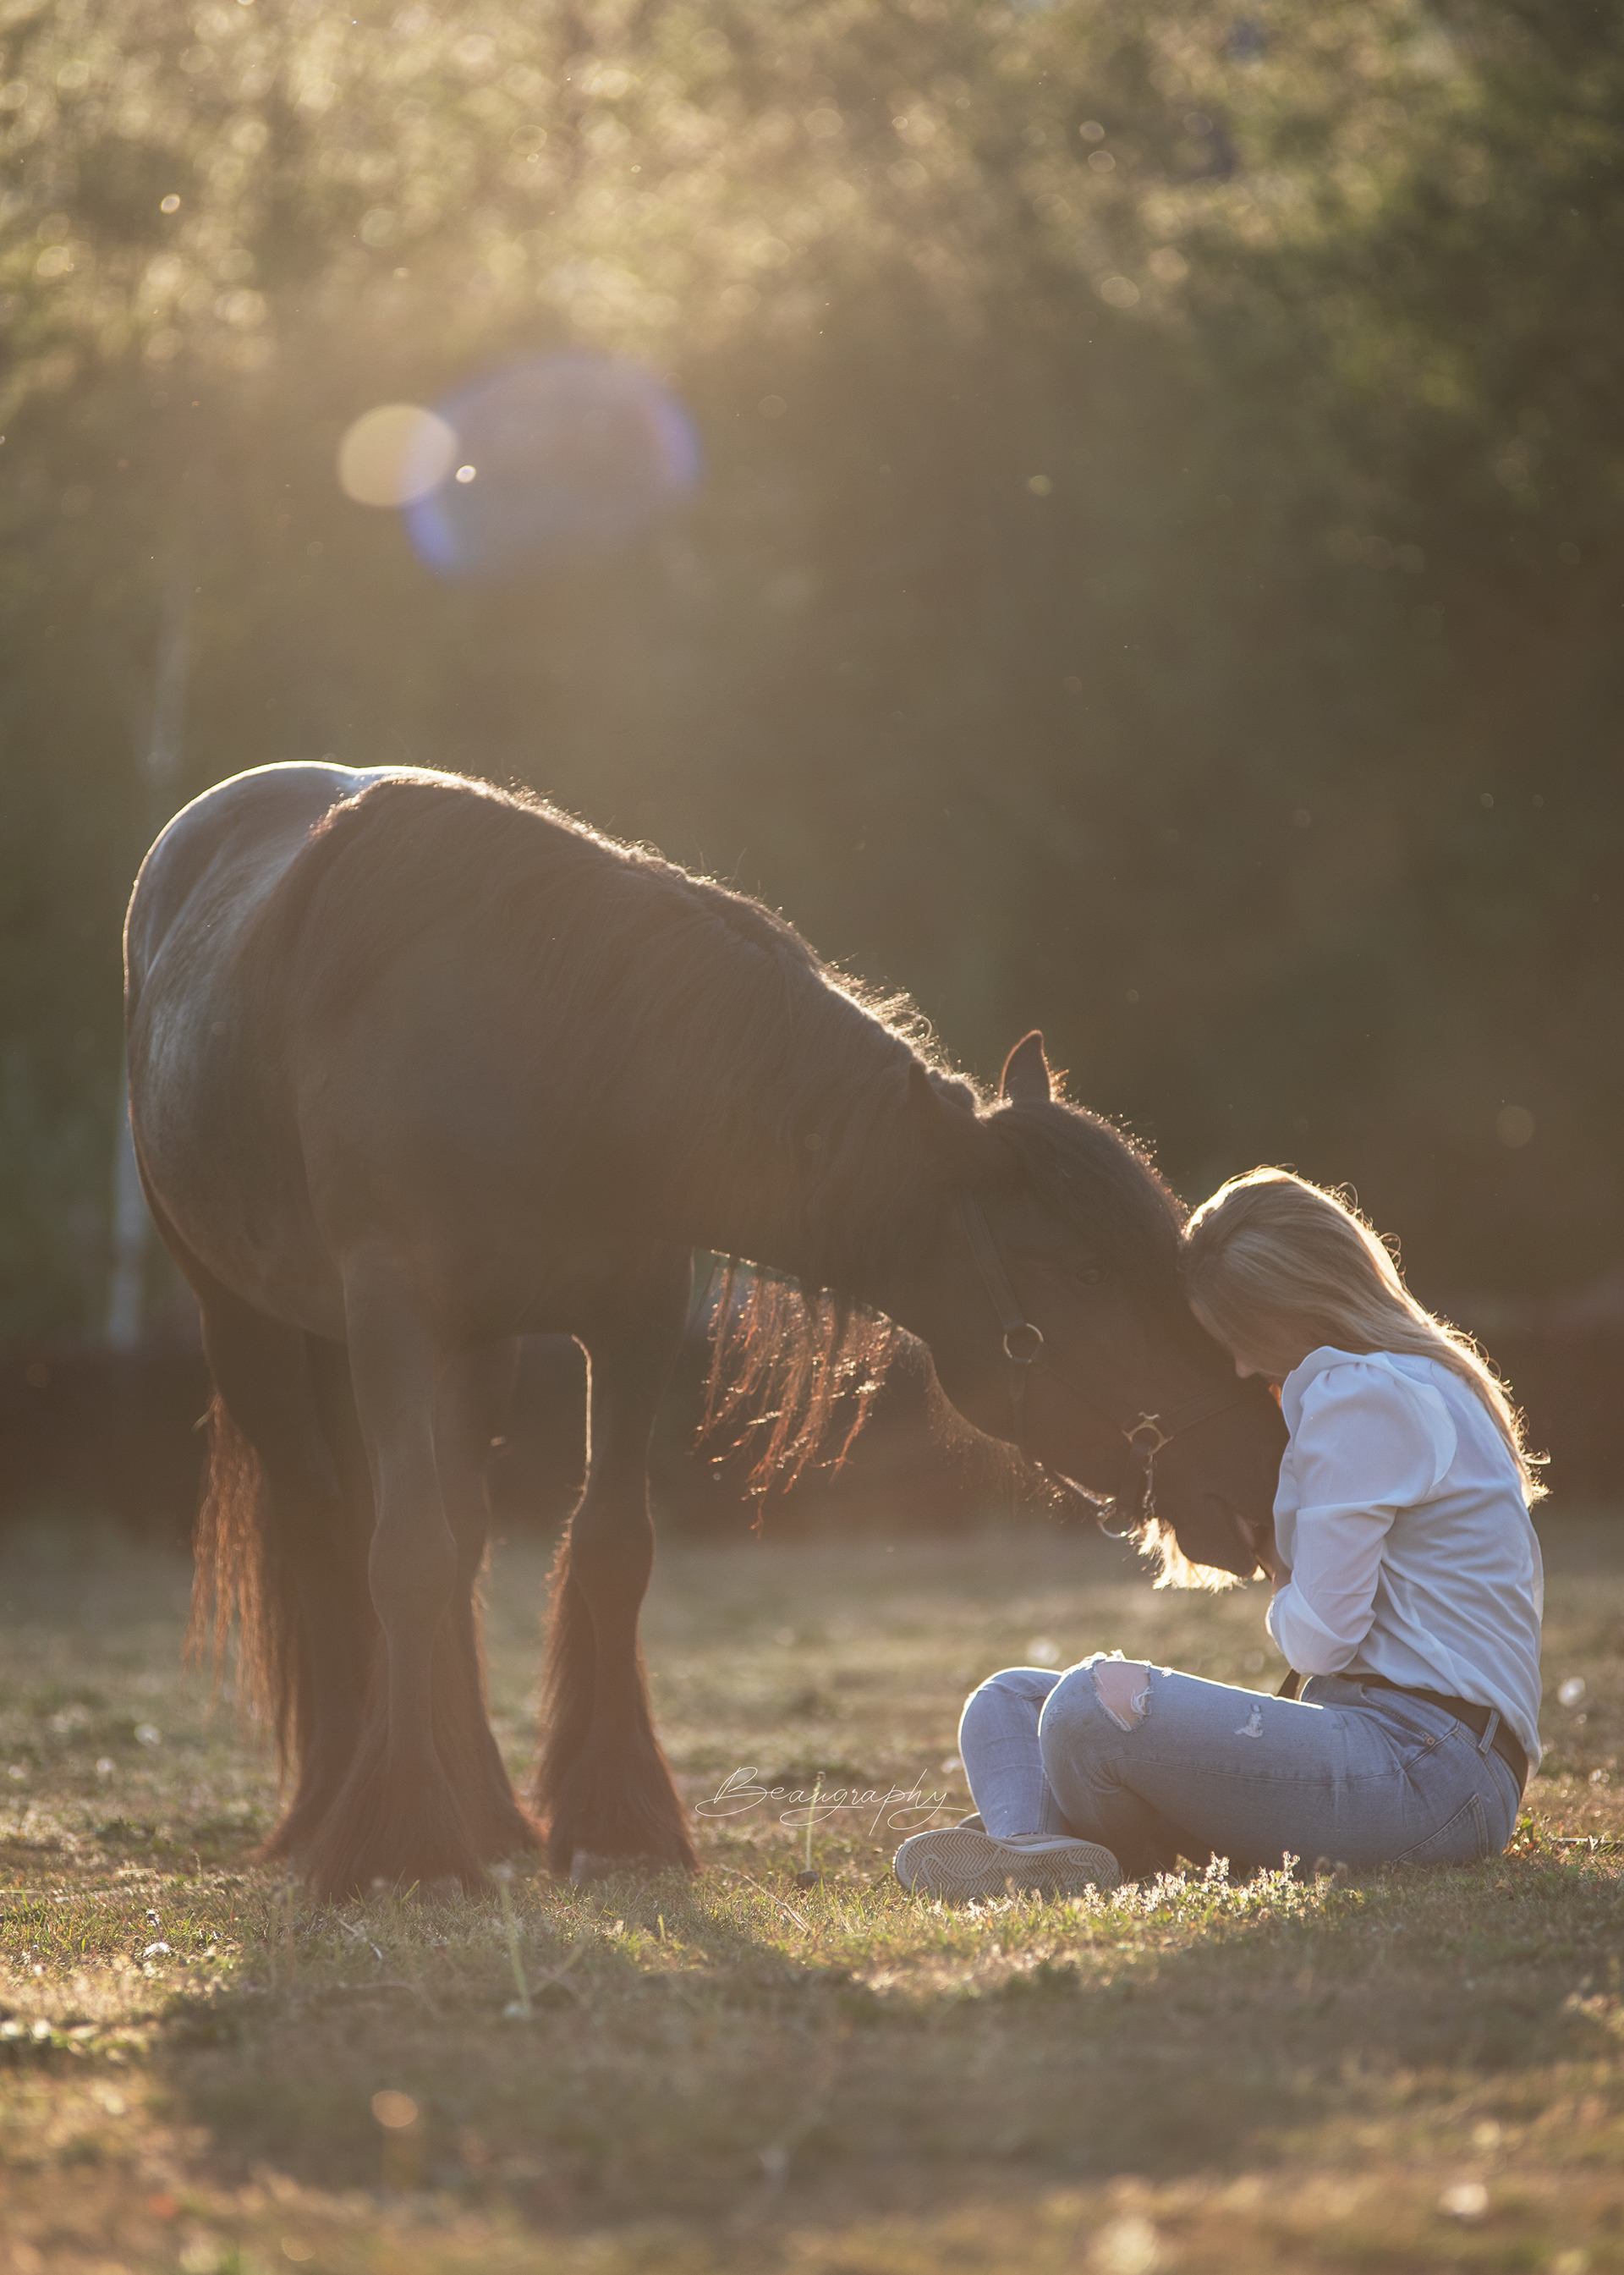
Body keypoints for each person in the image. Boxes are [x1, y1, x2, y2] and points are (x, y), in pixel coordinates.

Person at [894, 1167, 1544, 1903]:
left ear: (1294, 1306)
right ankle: (1029, 1854)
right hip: (1415, 1756)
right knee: (1008, 1700)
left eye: (1241, 1336)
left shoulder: (1359, 1395)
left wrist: (1276, 1565)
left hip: (1424, 1770)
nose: (1238, 1364)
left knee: (1084, 1709)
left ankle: (1045, 1839)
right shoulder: (1417, 1381)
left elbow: (1322, 1641)